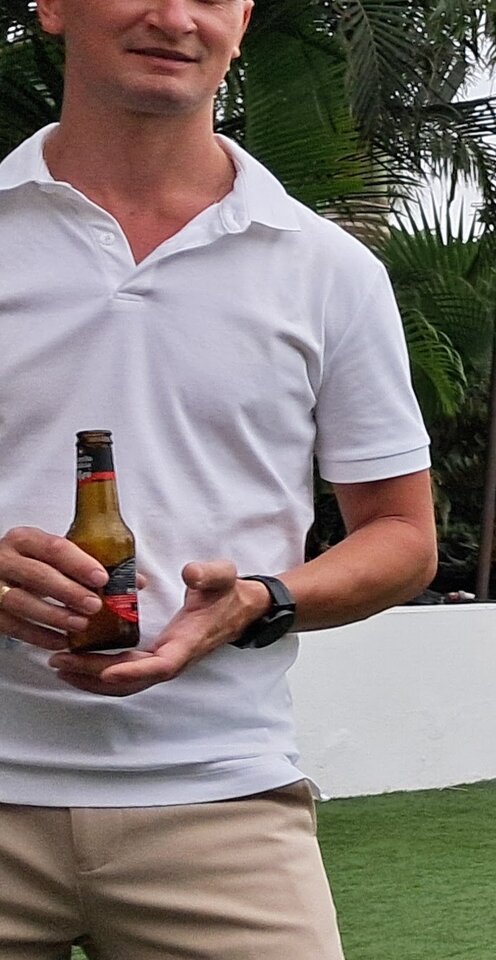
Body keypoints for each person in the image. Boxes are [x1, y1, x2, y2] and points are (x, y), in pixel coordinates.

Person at [0, 1, 437, 958]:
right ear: (52, 6)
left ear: (241, 19)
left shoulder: (329, 270)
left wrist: (259, 601)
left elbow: (404, 538)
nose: (174, 17)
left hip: (221, 800)